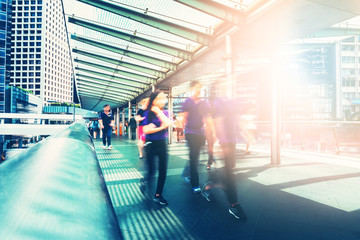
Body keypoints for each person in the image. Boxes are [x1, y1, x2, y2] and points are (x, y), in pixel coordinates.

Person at [202, 97, 247, 220]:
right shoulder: (219, 104)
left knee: (228, 170)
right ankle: (233, 204)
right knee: (229, 174)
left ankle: (210, 185)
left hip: (230, 142)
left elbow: (236, 123)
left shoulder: (229, 103)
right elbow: (215, 127)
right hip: (225, 143)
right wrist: (215, 147)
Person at [180, 80, 214, 193]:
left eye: (200, 87)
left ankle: (186, 172)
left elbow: (207, 118)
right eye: (196, 87)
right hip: (190, 133)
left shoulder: (203, 103)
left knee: (195, 157)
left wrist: (211, 132)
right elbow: (184, 118)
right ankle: (195, 184)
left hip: (200, 133)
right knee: (194, 158)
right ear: (191, 89)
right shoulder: (187, 102)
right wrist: (182, 130)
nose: (198, 90)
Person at [141, 90, 171, 206]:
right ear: (153, 100)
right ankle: (145, 183)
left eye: (163, 98)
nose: (162, 100)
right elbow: (145, 130)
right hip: (150, 144)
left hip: (162, 144)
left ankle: (158, 195)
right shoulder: (147, 113)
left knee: (163, 170)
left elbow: (167, 123)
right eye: (159, 98)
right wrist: (159, 128)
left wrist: (158, 112)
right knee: (152, 170)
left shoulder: (165, 112)